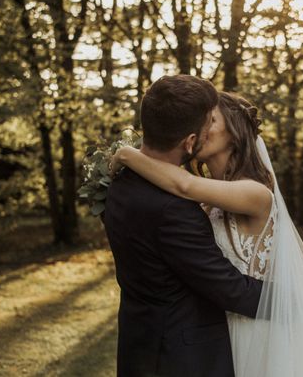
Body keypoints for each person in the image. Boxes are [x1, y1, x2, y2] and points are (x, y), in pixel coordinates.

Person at [112, 91, 303, 377]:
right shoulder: (211, 193)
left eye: (210, 120)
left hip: (256, 330)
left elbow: (182, 185)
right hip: (217, 331)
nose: (200, 127)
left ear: (234, 132)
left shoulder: (255, 192)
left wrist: (126, 154)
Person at [102, 75, 263, 377]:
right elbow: (229, 289)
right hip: (180, 360)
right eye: (209, 122)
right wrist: (292, 302)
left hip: (141, 345)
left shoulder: (118, 184)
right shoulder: (174, 210)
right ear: (190, 142)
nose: (212, 128)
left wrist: (126, 154)